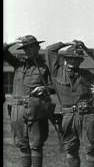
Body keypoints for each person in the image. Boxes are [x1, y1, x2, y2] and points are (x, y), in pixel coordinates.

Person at [46, 40, 94, 167]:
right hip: (67, 117)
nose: (74, 61)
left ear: (81, 61)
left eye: (77, 59)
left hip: (87, 116)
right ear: (66, 58)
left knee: (91, 150)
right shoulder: (56, 72)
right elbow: (50, 50)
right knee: (70, 150)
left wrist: (91, 53)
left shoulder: (87, 75)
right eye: (71, 58)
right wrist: (65, 43)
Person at [3, 35, 56, 167]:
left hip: (36, 108)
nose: (28, 50)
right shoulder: (18, 63)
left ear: (38, 47)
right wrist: (13, 42)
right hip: (17, 109)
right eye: (26, 48)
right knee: (22, 144)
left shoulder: (45, 66)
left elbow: (54, 87)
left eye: (31, 47)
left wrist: (44, 88)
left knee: (36, 145)